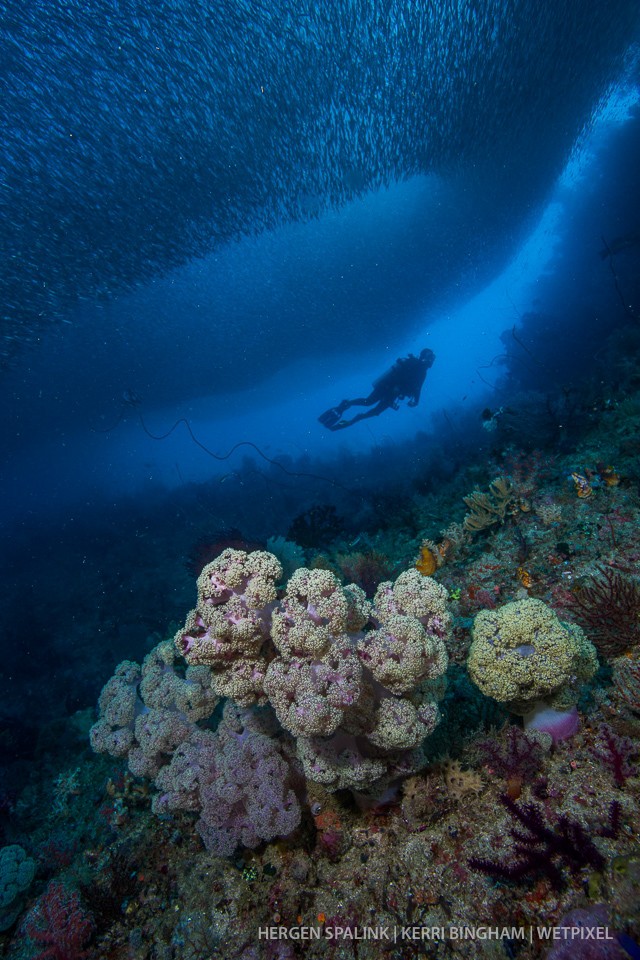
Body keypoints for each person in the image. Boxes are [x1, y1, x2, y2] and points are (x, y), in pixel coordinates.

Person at [318, 348, 435, 431]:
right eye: (429, 357)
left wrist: (416, 400)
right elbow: (400, 376)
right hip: (386, 387)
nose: (431, 360)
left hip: (394, 395)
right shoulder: (412, 362)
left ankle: (356, 418)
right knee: (367, 402)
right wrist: (398, 387)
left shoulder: (423, 373)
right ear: (423, 356)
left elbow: (418, 388)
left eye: (432, 358)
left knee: (376, 412)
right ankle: (346, 404)